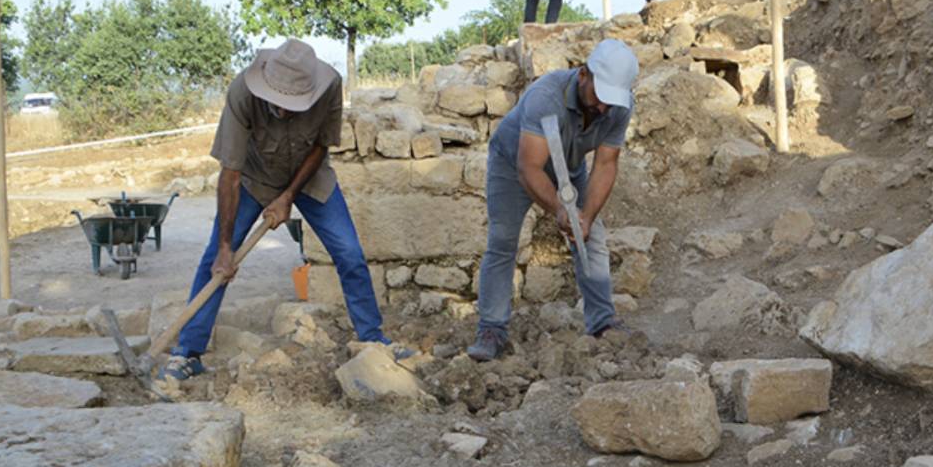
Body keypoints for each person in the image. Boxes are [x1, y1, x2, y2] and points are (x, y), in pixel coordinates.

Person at [159, 38, 406, 382]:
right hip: (252, 180)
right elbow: (229, 175)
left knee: (349, 252)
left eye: (294, 105)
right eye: (279, 103)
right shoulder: (241, 94)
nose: (285, 110)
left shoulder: (330, 86)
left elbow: (322, 145)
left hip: (310, 178)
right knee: (215, 259)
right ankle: (188, 352)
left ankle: (373, 338)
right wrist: (227, 248)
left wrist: (289, 195)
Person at [467, 39, 640, 362]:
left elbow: (606, 164)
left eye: (610, 101)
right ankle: (491, 329)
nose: (603, 108)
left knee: (592, 237)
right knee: (503, 241)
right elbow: (529, 168)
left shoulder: (619, 106)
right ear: (583, 74)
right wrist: (561, 209)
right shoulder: (545, 97)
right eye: (599, 97)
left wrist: (584, 215)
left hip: (569, 165)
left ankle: (602, 323)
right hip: (514, 162)